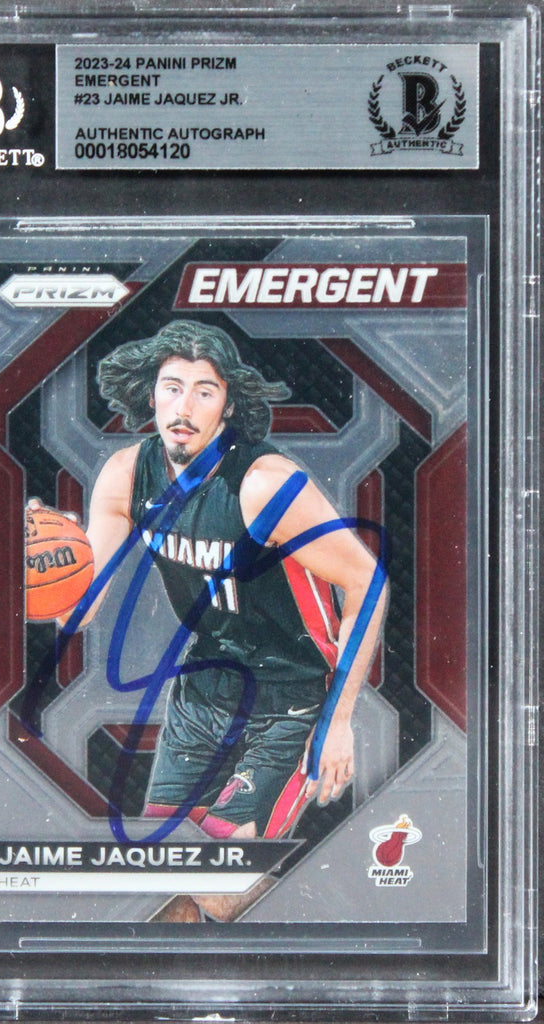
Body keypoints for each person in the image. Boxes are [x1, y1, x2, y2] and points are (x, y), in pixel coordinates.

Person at [49, 319, 386, 922]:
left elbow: (368, 581)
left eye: (204, 391)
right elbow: (80, 607)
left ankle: (317, 909)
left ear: (227, 406)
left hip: (289, 698)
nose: (184, 407)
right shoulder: (126, 475)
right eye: (172, 387)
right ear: (151, 395)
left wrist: (338, 721)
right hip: (203, 691)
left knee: (215, 887)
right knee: (157, 891)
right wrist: (41, 564)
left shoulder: (264, 485)